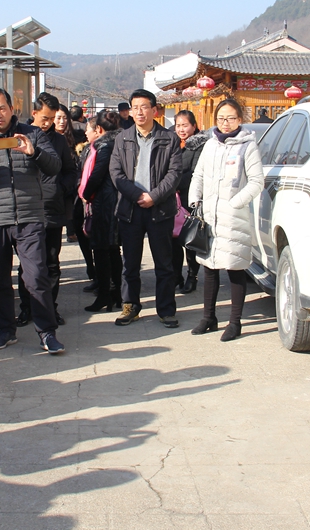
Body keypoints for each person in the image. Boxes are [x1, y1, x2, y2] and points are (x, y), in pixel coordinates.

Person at [0, 88, 65, 354]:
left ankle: (47, 332)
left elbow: (55, 166)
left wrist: (34, 153)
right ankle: (6, 330)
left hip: (29, 217)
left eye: (2, 108)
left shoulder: (33, 134)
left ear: (11, 108)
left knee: (37, 277)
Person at [187, 99, 263, 342]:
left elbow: (256, 181)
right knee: (209, 269)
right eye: (221, 118)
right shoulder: (210, 144)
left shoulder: (247, 146)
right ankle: (208, 317)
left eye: (230, 118)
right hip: (209, 216)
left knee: (235, 269)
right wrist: (195, 200)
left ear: (239, 120)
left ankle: (235, 322)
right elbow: (198, 174)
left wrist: (234, 203)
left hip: (234, 218)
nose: (225, 123)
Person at [110, 89, 182, 328]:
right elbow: (116, 173)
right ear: (130, 111)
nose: (139, 112)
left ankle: (166, 309)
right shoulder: (122, 138)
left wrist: (153, 196)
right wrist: (136, 195)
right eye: (135, 107)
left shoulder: (169, 138)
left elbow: (174, 174)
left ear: (155, 110)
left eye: (144, 107)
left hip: (159, 208)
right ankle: (130, 306)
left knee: (164, 262)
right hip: (130, 209)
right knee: (130, 263)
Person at [16, 94, 78, 327]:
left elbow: (71, 172)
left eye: (52, 118)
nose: (48, 123)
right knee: (28, 264)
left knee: (52, 263)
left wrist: (60, 188)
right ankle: (27, 308)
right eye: (44, 118)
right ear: (34, 114)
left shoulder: (59, 141)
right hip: (26, 209)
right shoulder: (21, 137)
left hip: (52, 209)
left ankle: (51, 308)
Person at [80, 110, 123, 311]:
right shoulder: (122, 143)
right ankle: (115, 294)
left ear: (99, 129)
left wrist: (86, 192)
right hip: (115, 200)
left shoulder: (106, 145)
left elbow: (97, 174)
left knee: (102, 249)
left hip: (106, 202)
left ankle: (106, 294)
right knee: (113, 249)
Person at [172, 110, 208, 294]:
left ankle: (191, 276)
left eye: (185, 125)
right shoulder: (173, 143)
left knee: (189, 240)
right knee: (173, 240)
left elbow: (195, 173)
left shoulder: (200, 145)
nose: (181, 129)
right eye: (178, 125)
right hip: (172, 200)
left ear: (194, 126)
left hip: (190, 199)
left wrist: (173, 183)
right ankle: (175, 275)